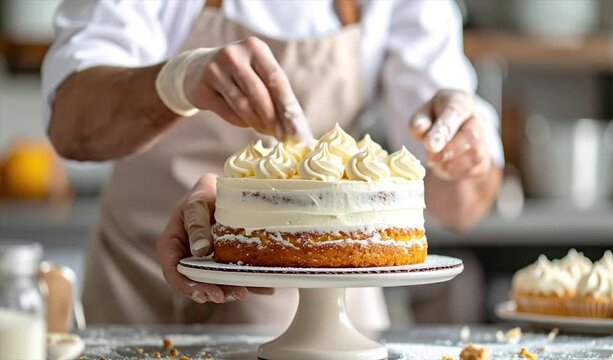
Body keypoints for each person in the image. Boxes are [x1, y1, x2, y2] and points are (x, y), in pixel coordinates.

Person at [42, 0, 503, 329]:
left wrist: (461, 148)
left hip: (326, 320)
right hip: (140, 292)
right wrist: (176, 82)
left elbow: (461, 207)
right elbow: (71, 124)